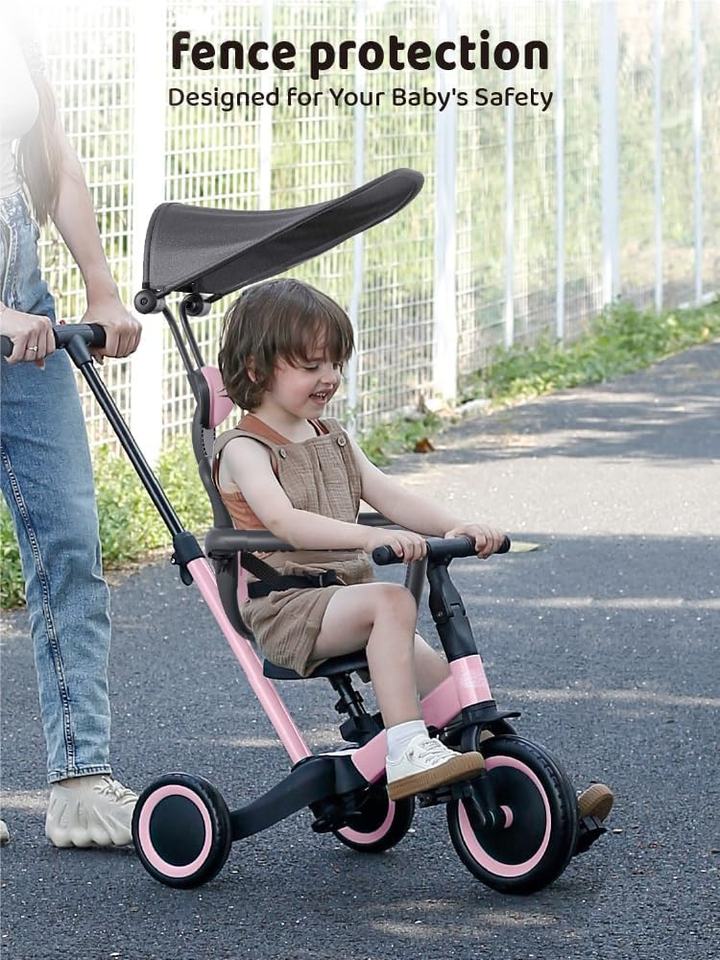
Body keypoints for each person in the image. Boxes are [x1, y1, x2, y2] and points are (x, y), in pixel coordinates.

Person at [214, 278, 614, 814]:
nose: (328, 377)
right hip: (288, 607)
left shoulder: (333, 437)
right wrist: (372, 536)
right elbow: (286, 522)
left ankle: (538, 797)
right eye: (311, 365)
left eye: (335, 363)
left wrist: (457, 527)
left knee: (450, 691)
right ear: (256, 369)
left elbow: (390, 495)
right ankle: (406, 749)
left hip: (346, 598)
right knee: (394, 601)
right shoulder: (244, 449)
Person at [0, 14, 141, 847]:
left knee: (70, 544)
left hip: (29, 321)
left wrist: (101, 287)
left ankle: (82, 784)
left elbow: (52, 163)